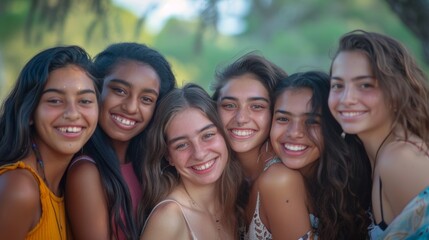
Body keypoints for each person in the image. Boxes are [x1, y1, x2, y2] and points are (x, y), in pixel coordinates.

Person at [65, 42, 176, 240]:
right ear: (96, 89)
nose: (132, 107)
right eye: (120, 91)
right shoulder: (86, 172)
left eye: (146, 99)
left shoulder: (148, 167)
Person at [329, 30, 429, 239]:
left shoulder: (402, 158)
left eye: (365, 85)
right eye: (338, 85)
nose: (347, 98)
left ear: (397, 90)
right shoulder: (372, 156)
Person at [249, 71, 370, 239]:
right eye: (283, 119)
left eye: (312, 121)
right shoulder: (279, 180)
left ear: (334, 128)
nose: (295, 133)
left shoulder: (346, 179)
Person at [0, 46, 99, 239]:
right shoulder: (19, 188)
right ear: (29, 112)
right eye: (54, 101)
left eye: (85, 101)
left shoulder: (67, 186)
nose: (72, 113)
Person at [140, 83, 244, 240]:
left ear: (224, 135)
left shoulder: (233, 202)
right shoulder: (169, 218)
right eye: (182, 145)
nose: (199, 154)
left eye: (207, 135)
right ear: (168, 156)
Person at [211, 53, 287, 234]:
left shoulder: (280, 180)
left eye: (257, 106)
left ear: (275, 112)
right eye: (229, 105)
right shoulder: (220, 174)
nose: (241, 119)